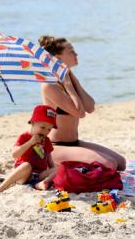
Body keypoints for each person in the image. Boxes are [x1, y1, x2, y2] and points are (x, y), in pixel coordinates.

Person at [38, 36, 126, 170]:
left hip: (74, 143)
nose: (76, 54)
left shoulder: (69, 78)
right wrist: (68, 85)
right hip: (55, 146)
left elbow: (90, 107)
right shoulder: (49, 85)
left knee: (121, 162)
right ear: (58, 58)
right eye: (71, 51)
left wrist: (74, 81)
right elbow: (79, 113)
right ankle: (56, 167)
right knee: (109, 164)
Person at [0, 105, 58, 192]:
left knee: (58, 168)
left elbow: (50, 161)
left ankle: (43, 183)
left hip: (39, 175)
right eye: (42, 127)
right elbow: (15, 155)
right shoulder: (24, 137)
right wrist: (30, 142)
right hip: (24, 174)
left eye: (49, 129)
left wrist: (54, 172)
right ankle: (1, 187)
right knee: (27, 165)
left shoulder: (47, 141)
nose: (45, 132)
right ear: (33, 123)